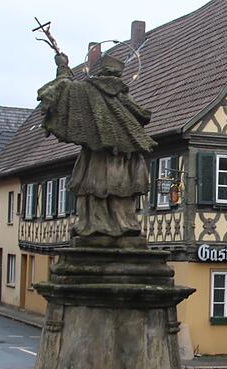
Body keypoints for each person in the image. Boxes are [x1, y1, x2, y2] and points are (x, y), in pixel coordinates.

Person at [37, 52, 156, 238]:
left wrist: (62, 67)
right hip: (122, 157)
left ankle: (94, 223)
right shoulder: (122, 97)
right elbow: (143, 115)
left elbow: (60, 90)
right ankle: (124, 222)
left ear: (99, 73)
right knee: (120, 188)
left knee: (94, 187)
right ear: (118, 75)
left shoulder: (86, 90)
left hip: (96, 158)